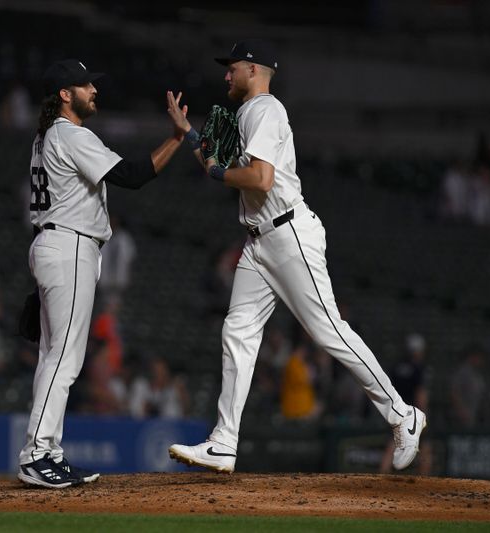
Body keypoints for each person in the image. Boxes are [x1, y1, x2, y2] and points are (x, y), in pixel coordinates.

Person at [168, 40, 425, 473]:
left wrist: (215, 171)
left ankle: (403, 414)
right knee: (238, 331)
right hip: (259, 240)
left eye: (231, 68)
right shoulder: (249, 113)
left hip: (288, 235)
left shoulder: (264, 110)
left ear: (253, 68)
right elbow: (219, 162)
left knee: (328, 332)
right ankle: (224, 442)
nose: (226, 75)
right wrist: (189, 133)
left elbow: (261, 179)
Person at [17, 58, 190, 488]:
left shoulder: (44, 138)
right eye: (85, 85)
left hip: (53, 243)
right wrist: (177, 137)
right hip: (70, 245)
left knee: (52, 356)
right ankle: (37, 453)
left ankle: (47, 450)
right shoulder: (69, 134)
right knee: (65, 357)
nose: (94, 90)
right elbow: (132, 175)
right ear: (64, 94)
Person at [380, 334, 433, 475]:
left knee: (392, 443)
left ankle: (382, 477)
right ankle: (424, 481)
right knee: (425, 446)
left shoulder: (396, 367)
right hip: (414, 413)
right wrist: (424, 413)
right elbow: (420, 394)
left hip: (397, 411)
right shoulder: (419, 368)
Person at [450, 345, 486, 429]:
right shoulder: (463, 372)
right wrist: (461, 410)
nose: (480, 361)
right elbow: (454, 392)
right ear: (472, 357)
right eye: (479, 358)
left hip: (475, 414)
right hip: (463, 416)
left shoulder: (477, 373)